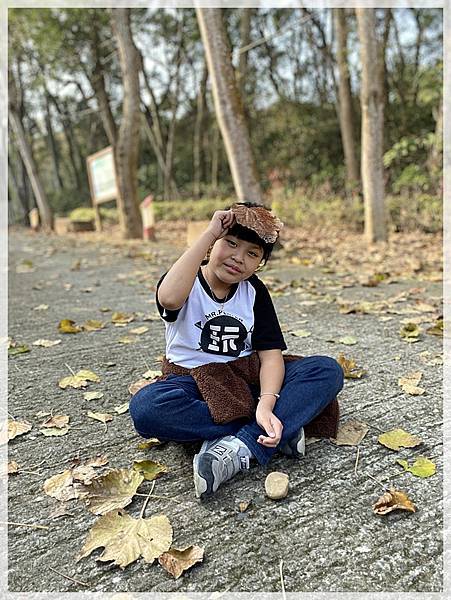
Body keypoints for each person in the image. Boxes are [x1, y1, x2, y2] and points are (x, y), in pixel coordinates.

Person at [129, 202, 344, 500]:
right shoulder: (187, 279)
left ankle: (240, 446)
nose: (238, 258)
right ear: (212, 244)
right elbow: (168, 299)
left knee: (326, 370)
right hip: (192, 381)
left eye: (252, 254)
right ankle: (280, 424)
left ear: (260, 263)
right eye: (230, 243)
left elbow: (270, 355)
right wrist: (209, 233)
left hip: (246, 378)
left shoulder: (254, 291)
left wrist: (266, 403)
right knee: (146, 408)